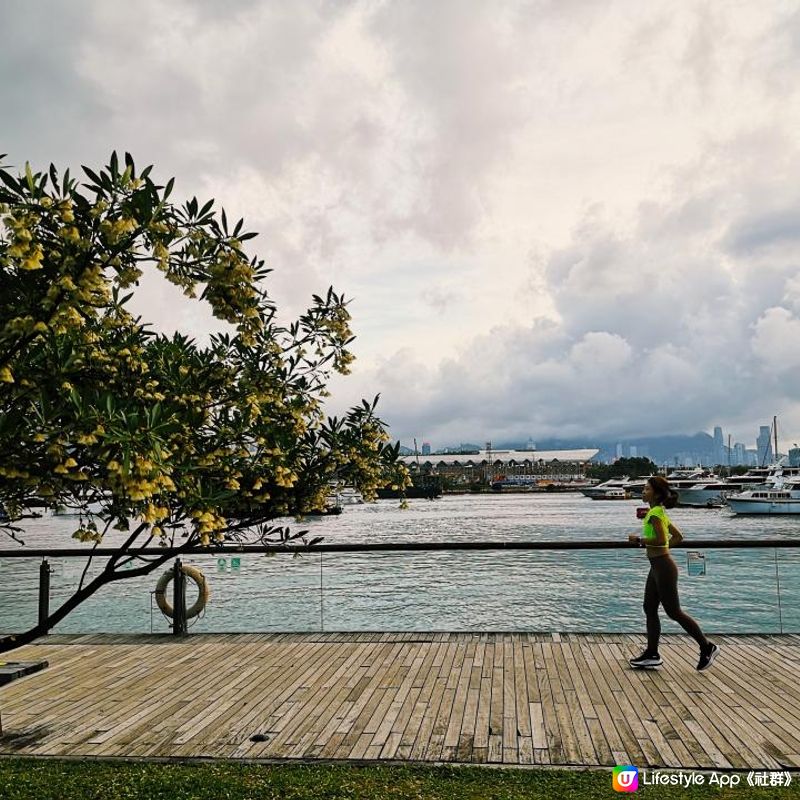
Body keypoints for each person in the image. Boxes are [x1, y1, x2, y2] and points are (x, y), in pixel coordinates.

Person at [628, 476, 719, 671]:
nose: (643, 492)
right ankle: (652, 653)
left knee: (673, 611)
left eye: (646, 489)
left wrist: (639, 541)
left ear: (657, 494)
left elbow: (661, 540)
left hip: (663, 567)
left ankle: (707, 646)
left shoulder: (654, 514)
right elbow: (677, 537)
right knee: (649, 607)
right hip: (658, 565)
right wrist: (661, 549)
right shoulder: (658, 511)